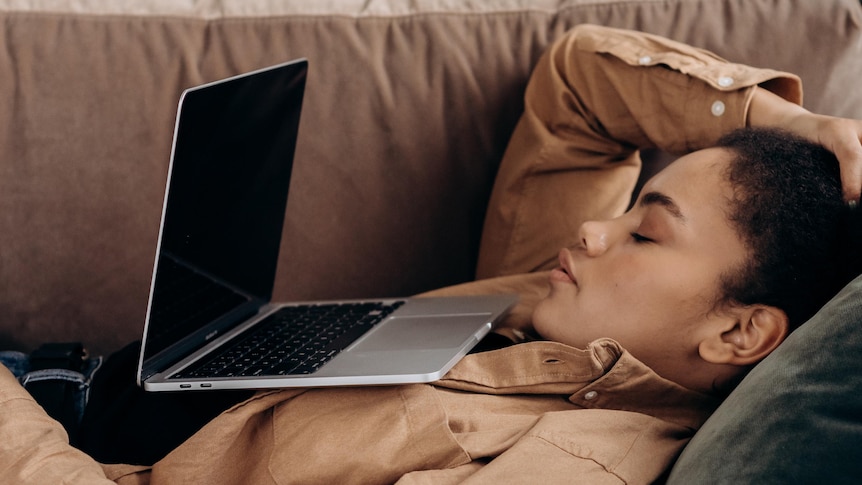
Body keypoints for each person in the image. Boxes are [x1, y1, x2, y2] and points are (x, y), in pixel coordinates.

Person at [2, 24, 862, 484]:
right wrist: (783, 123)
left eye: (646, 231)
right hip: (63, 387)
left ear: (741, 333)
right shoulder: (552, 296)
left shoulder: (569, 464)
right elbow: (576, 90)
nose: (598, 230)